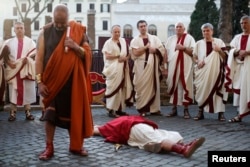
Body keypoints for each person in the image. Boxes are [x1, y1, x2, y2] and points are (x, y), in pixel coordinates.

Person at [36, 4, 93, 160]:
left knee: (73, 114)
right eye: (57, 22)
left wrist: (75, 46)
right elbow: (39, 58)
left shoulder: (79, 31)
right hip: (51, 82)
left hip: (71, 81)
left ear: (68, 18)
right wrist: (39, 83)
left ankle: (75, 146)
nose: (60, 25)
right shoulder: (44, 33)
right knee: (49, 115)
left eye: (62, 22)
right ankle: (49, 147)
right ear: (52, 18)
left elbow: (87, 55)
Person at [94, 116, 205, 158]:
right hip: (135, 129)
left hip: (137, 128)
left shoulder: (106, 125)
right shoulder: (104, 129)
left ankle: (183, 146)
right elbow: (91, 130)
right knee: (158, 138)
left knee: (169, 134)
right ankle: (183, 150)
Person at [193, 23, 227, 121]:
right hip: (202, 72)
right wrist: (198, 61)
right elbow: (194, 56)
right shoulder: (198, 43)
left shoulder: (219, 42)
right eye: (204, 31)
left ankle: (221, 114)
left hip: (217, 72)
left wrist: (219, 50)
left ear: (212, 31)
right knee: (201, 91)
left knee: (219, 90)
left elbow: (226, 56)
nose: (205, 32)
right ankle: (200, 112)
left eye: (207, 30)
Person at [130, 20, 165, 116]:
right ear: (138, 28)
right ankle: (142, 109)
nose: (143, 28)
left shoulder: (154, 39)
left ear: (147, 26)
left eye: (144, 26)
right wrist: (146, 47)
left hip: (152, 67)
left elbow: (162, 50)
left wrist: (155, 50)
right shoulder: (135, 40)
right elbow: (135, 53)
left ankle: (155, 109)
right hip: (140, 66)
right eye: (141, 26)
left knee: (154, 87)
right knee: (141, 87)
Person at [3, 22, 36, 121]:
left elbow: (34, 54)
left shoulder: (30, 42)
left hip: (25, 69)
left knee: (27, 90)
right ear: (14, 30)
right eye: (17, 28)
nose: (19, 30)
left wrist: (28, 60)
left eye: (21, 28)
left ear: (24, 29)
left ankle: (28, 112)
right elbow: (4, 56)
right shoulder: (8, 42)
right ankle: (12, 113)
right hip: (14, 70)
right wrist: (9, 64)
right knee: (13, 91)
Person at [164, 22, 195, 119]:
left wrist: (183, 48)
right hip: (173, 67)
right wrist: (165, 68)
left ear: (184, 28)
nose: (178, 28)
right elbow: (165, 54)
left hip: (185, 67)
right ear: (174, 29)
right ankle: (174, 109)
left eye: (180, 26)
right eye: (177, 27)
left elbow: (194, 52)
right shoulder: (170, 40)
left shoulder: (189, 38)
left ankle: (186, 110)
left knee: (186, 87)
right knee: (174, 86)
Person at [102, 25, 133, 118]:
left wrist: (125, 58)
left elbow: (129, 54)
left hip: (123, 68)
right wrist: (118, 57)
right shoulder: (108, 43)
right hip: (113, 69)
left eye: (119, 32)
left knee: (122, 89)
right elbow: (107, 56)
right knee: (113, 89)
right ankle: (111, 110)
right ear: (111, 32)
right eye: (115, 32)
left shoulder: (123, 41)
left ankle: (120, 109)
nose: (117, 34)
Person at [227, 16, 250, 122]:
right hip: (240, 68)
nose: (243, 25)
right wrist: (237, 52)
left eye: (245, 23)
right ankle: (239, 114)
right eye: (241, 23)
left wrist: (247, 52)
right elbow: (230, 49)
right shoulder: (237, 37)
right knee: (239, 90)